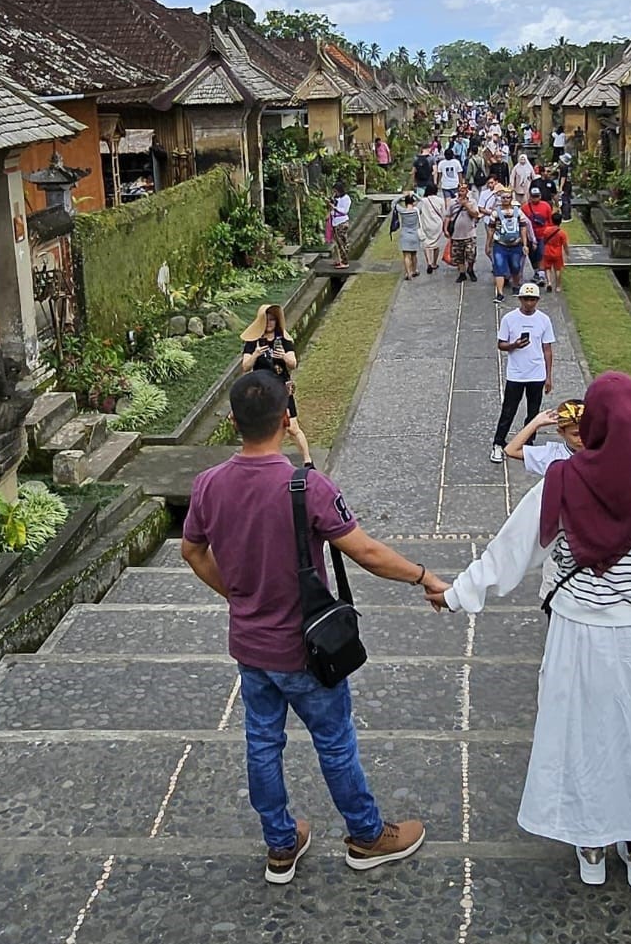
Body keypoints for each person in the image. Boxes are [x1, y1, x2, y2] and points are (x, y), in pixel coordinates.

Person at [426, 372, 631, 888]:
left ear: (594, 421)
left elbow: (510, 551)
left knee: (584, 737)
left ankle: (590, 841)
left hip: (580, 636)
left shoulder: (561, 482)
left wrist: (457, 593)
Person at [182, 372, 447, 884]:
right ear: (286, 420)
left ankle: (281, 845)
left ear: (232, 422)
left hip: (251, 647)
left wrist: (236, 594)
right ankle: (367, 836)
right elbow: (366, 552)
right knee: (334, 741)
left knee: (261, 743)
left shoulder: (208, 484)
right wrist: (424, 576)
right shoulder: (307, 486)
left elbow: (191, 550)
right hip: (306, 647)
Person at [240, 304, 314, 469]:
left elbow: (293, 363)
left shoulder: (284, 339)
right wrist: (256, 354)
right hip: (263, 391)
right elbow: (245, 366)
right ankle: (270, 461)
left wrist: (284, 357)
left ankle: (308, 461)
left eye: (273, 319)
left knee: (293, 428)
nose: (270, 323)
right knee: (267, 429)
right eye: (267, 319)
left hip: (282, 389)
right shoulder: (253, 342)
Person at [489, 283, 553, 462]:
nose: (529, 303)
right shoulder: (509, 319)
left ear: (537, 301)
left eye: (533, 299)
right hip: (516, 373)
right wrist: (514, 345)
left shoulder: (544, 320)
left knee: (533, 412)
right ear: (520, 299)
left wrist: (548, 376)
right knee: (508, 410)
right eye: (526, 299)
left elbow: (547, 348)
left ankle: (528, 444)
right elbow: (501, 344)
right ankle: (498, 443)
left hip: (536, 373)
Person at [503, 398, 584, 474]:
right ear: (561, 432)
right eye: (575, 434)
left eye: (588, 432)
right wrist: (536, 422)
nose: (583, 439)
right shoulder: (553, 454)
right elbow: (511, 450)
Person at [486, 191, 533, 303]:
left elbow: (523, 228)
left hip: (516, 245)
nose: (505, 199)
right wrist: (488, 244)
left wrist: (525, 244)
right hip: (500, 245)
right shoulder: (495, 213)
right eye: (503, 198)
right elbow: (491, 229)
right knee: (499, 268)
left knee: (516, 267)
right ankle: (500, 293)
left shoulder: (518, 212)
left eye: (508, 197)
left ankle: (516, 286)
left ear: (511, 199)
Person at [448, 184, 482, 284]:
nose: (460, 192)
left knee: (471, 254)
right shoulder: (452, 202)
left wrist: (466, 205)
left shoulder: (472, 202)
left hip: (470, 233)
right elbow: (448, 216)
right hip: (456, 234)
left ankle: (470, 270)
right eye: (459, 190)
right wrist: (446, 229)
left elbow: (476, 215)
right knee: (459, 256)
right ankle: (462, 273)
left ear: (467, 191)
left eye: (463, 190)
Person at [414, 185, 449, 276]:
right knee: (436, 244)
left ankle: (428, 263)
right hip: (437, 225)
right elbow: (444, 214)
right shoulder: (440, 200)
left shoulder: (423, 201)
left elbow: (417, 210)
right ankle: (434, 263)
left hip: (426, 223)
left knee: (427, 244)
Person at [521, 187, 554, 285]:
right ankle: (537, 271)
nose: (535, 199)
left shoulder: (546, 206)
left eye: (537, 196)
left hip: (543, 235)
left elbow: (550, 221)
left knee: (541, 253)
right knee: (532, 255)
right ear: (530, 197)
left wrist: (550, 233)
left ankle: (541, 274)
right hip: (530, 236)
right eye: (533, 197)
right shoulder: (525, 208)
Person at [390, 191, 421, 281]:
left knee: (406, 255)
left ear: (405, 202)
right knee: (414, 255)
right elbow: (423, 202)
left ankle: (408, 273)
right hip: (415, 234)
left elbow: (393, 203)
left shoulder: (403, 211)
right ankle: (414, 270)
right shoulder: (417, 210)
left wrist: (403, 195)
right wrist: (414, 194)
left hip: (405, 235)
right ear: (413, 202)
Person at [326, 182, 351, 269]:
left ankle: (345, 262)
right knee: (337, 243)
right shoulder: (337, 198)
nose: (335, 193)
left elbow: (345, 211)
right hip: (335, 222)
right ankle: (339, 260)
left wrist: (335, 207)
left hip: (342, 222)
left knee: (342, 243)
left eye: (336, 191)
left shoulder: (346, 198)